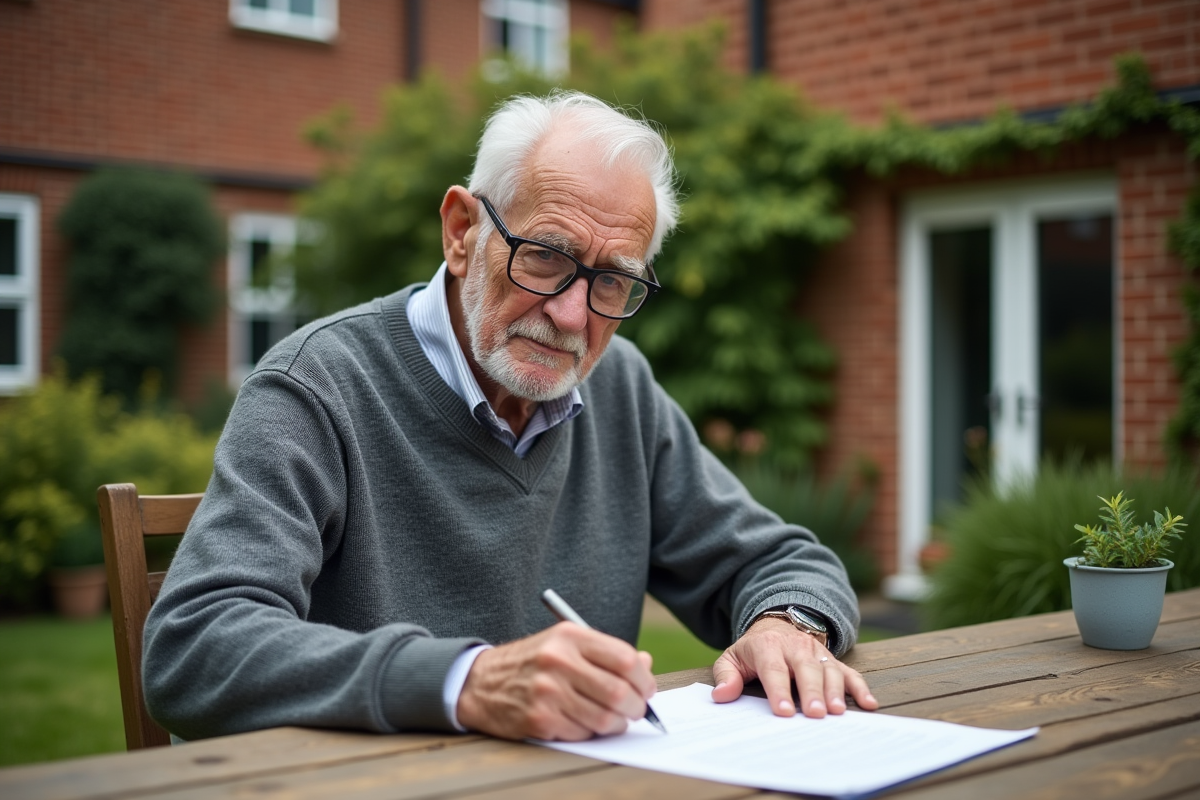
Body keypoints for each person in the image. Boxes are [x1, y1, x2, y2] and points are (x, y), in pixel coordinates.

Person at [143, 91, 878, 743]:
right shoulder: (317, 385)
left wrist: (790, 623)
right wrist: (466, 681)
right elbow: (194, 646)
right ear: (463, 232)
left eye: (612, 282)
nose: (568, 315)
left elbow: (783, 562)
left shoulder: (619, 386)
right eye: (546, 258)